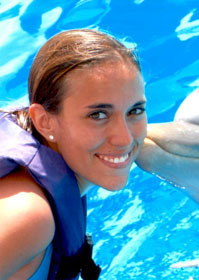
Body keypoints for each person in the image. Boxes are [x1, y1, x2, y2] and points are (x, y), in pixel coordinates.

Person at [0, 29, 147, 279]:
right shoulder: (27, 216)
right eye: (97, 115)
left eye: (135, 111)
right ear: (45, 122)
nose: (124, 139)